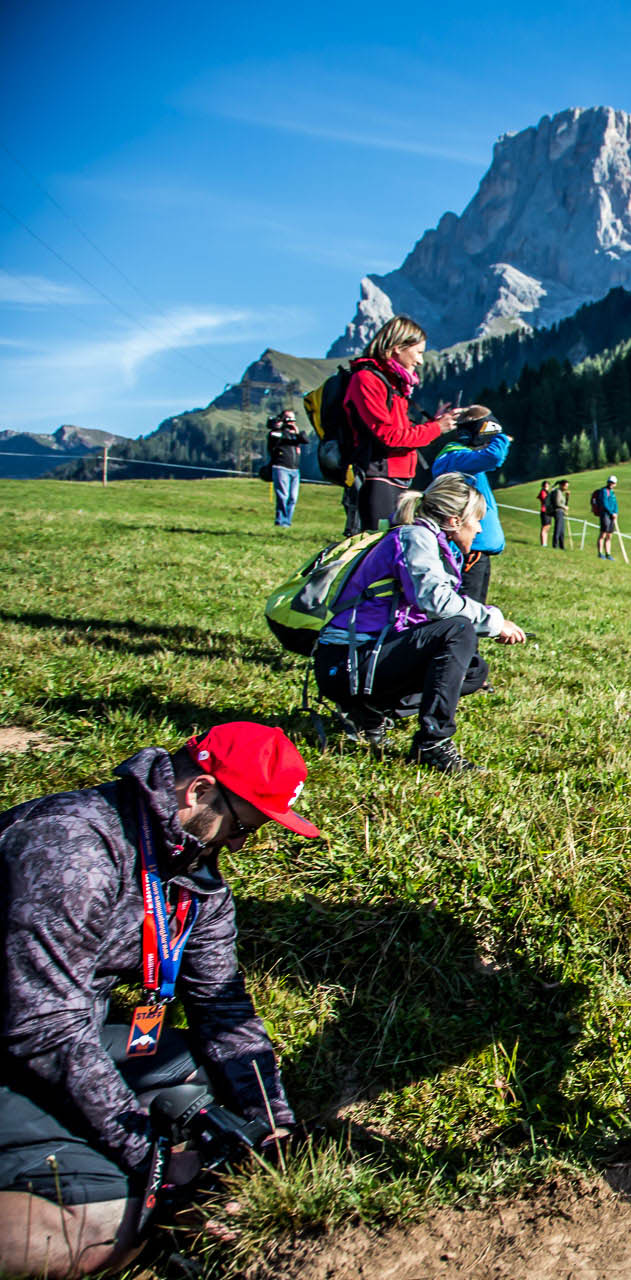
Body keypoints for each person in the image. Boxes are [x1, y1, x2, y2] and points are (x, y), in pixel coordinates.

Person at [0, 722, 312, 1277]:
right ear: (197, 792)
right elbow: (42, 1026)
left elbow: (223, 1010)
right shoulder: (71, 847)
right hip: (26, 1035)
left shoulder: (192, 874)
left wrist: (271, 1129)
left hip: (67, 1031)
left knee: (195, 1077)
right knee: (108, 1221)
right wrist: (152, 1161)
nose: (242, 845)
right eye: (244, 825)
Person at [313, 474, 528, 773]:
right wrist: (494, 621)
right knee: (458, 629)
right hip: (346, 662)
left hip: (359, 659)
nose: (479, 528)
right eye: (476, 520)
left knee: (473, 670)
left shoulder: (423, 539)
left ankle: (370, 712)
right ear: (454, 520)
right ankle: (433, 744)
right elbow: (437, 602)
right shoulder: (415, 538)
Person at [344, 315, 459, 531]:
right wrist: (437, 428)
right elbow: (389, 437)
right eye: (418, 352)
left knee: (394, 545)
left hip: (397, 476)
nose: (420, 361)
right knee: (374, 545)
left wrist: (436, 422)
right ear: (397, 347)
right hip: (377, 477)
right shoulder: (367, 380)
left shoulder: (393, 383)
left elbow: (399, 431)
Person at [428, 409, 511, 604]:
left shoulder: (462, 462)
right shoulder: (454, 458)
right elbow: (494, 456)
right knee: (466, 609)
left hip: (476, 550)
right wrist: (498, 435)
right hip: (467, 551)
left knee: (475, 608)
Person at [265, 409, 305, 528]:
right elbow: (274, 439)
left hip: (295, 469)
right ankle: (281, 521)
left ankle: (287, 521)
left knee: (293, 497)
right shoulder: (276, 433)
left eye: (293, 419)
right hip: (281, 467)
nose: (291, 421)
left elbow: (305, 440)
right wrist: (280, 427)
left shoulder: (294, 435)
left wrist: (296, 432)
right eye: (288, 419)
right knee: (283, 495)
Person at [593, 476, 619, 560]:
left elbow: (615, 503)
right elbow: (604, 504)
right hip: (605, 515)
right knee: (603, 534)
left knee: (609, 535)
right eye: (610, 482)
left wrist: (616, 512)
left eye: (613, 483)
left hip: (612, 516)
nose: (611, 484)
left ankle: (608, 553)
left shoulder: (612, 492)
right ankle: (600, 553)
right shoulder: (604, 491)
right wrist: (611, 513)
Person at [548, 480, 570, 550]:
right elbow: (557, 503)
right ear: (561, 485)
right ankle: (555, 545)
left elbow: (564, 503)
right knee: (558, 528)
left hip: (561, 512)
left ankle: (561, 545)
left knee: (562, 529)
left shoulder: (561, 493)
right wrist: (564, 507)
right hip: (558, 511)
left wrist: (567, 497)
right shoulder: (557, 492)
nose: (566, 487)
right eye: (565, 486)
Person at [537, 481, 552, 548]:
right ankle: (543, 544)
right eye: (546, 486)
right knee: (544, 527)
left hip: (548, 512)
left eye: (547, 486)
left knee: (547, 528)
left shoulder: (547, 492)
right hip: (544, 511)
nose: (547, 487)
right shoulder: (543, 492)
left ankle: (545, 543)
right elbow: (545, 500)